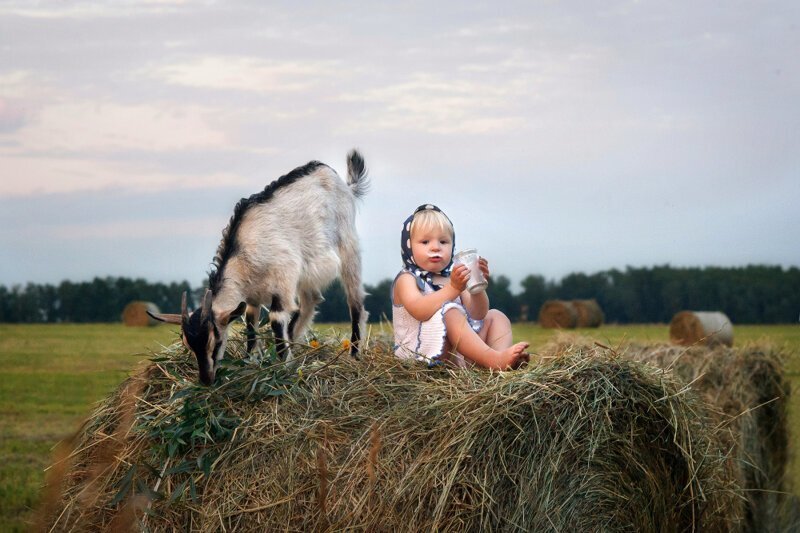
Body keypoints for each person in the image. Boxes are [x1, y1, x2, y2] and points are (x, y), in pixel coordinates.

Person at [392, 204, 530, 370]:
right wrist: (453, 289)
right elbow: (419, 310)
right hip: (420, 356)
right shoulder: (407, 279)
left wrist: (477, 287)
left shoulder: (453, 278)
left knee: (496, 316)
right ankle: (492, 359)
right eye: (425, 241)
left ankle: (499, 363)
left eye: (443, 241)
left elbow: (478, 314)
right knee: (449, 311)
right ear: (408, 247)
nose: (436, 247)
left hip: (456, 355)